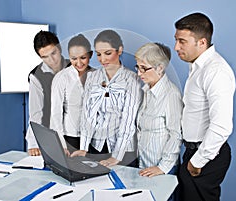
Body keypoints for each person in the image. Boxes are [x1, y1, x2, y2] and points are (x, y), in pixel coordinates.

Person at [174, 12, 236, 201]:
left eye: (182, 41)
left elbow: (222, 125)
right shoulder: (198, 67)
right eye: (176, 40)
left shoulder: (215, 71)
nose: (176, 47)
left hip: (206, 156)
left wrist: (197, 161)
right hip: (194, 151)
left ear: (201, 42)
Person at [71, 30, 143, 167]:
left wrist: (116, 157)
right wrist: (84, 147)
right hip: (96, 147)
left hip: (123, 150)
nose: (102, 59)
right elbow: (87, 114)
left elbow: (128, 120)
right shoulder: (92, 77)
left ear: (119, 50)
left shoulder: (132, 80)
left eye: (108, 53)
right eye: (98, 54)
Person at [135, 42, 182, 177]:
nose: (139, 73)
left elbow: (176, 135)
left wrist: (162, 167)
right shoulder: (146, 91)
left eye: (143, 68)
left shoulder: (171, 94)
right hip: (144, 166)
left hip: (162, 170)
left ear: (160, 68)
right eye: (138, 67)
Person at [25, 30, 70, 156]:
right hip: (52, 135)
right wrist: (33, 144)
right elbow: (36, 113)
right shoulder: (36, 77)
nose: (52, 60)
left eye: (53, 53)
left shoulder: (75, 66)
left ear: (59, 48)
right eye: (45, 57)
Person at [50, 34, 95, 153]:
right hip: (70, 138)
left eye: (83, 57)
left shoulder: (98, 76)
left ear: (90, 55)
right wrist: (61, 144)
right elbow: (56, 113)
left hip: (93, 138)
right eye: (74, 58)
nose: (79, 62)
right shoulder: (62, 78)